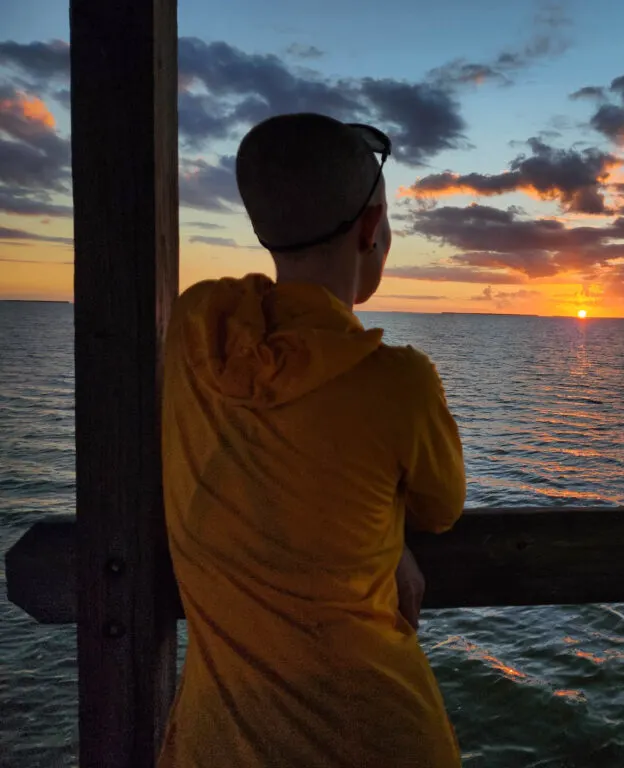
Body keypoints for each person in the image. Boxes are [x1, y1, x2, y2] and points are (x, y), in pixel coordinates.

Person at [158, 113, 466, 767]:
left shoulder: (197, 327)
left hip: (219, 744)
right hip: (379, 738)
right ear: (370, 228)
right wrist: (391, 541)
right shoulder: (397, 382)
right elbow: (442, 508)